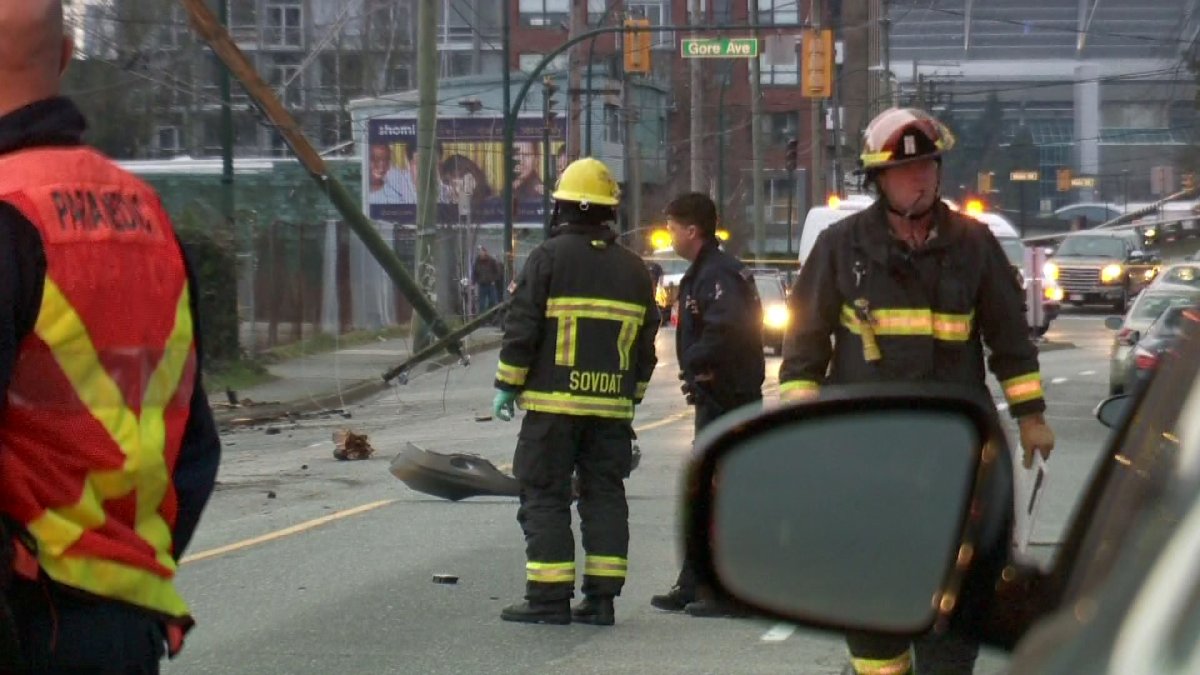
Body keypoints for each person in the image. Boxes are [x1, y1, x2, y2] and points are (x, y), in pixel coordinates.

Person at [778, 107, 1056, 675]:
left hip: (957, 454)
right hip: (866, 453)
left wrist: (1031, 415)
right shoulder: (839, 247)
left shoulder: (974, 245)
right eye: (905, 171)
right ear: (878, 179)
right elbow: (804, 349)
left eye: (928, 166)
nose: (920, 178)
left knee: (958, 585)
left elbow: (1009, 339)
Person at [0, 2, 221, 671]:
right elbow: (194, 443)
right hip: (124, 622)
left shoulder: (7, 211)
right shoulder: (149, 217)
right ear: (66, 56)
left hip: (27, 617)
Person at [493, 157, 658, 626]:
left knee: (544, 495)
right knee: (604, 495)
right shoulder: (634, 270)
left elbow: (521, 328)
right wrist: (632, 396)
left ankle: (548, 599)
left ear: (561, 207)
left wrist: (507, 384)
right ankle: (601, 600)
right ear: (609, 213)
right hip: (610, 412)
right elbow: (646, 346)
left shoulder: (547, 258)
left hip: (551, 408)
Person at [650, 192, 765, 618]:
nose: (671, 234)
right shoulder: (703, 272)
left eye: (673, 227)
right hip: (712, 397)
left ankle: (729, 590)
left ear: (692, 230)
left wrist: (696, 360)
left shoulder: (720, 275)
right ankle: (694, 582)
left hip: (729, 398)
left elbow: (727, 328)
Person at [473, 246, 502, 314]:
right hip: (482, 284)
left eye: (482, 251)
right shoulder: (477, 262)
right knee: (481, 303)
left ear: (485, 252)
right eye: (479, 252)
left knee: (493, 301)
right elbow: (474, 273)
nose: (481, 253)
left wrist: (493, 280)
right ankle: (481, 318)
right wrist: (474, 283)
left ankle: (493, 317)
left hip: (490, 284)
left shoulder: (491, 261)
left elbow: (498, 271)